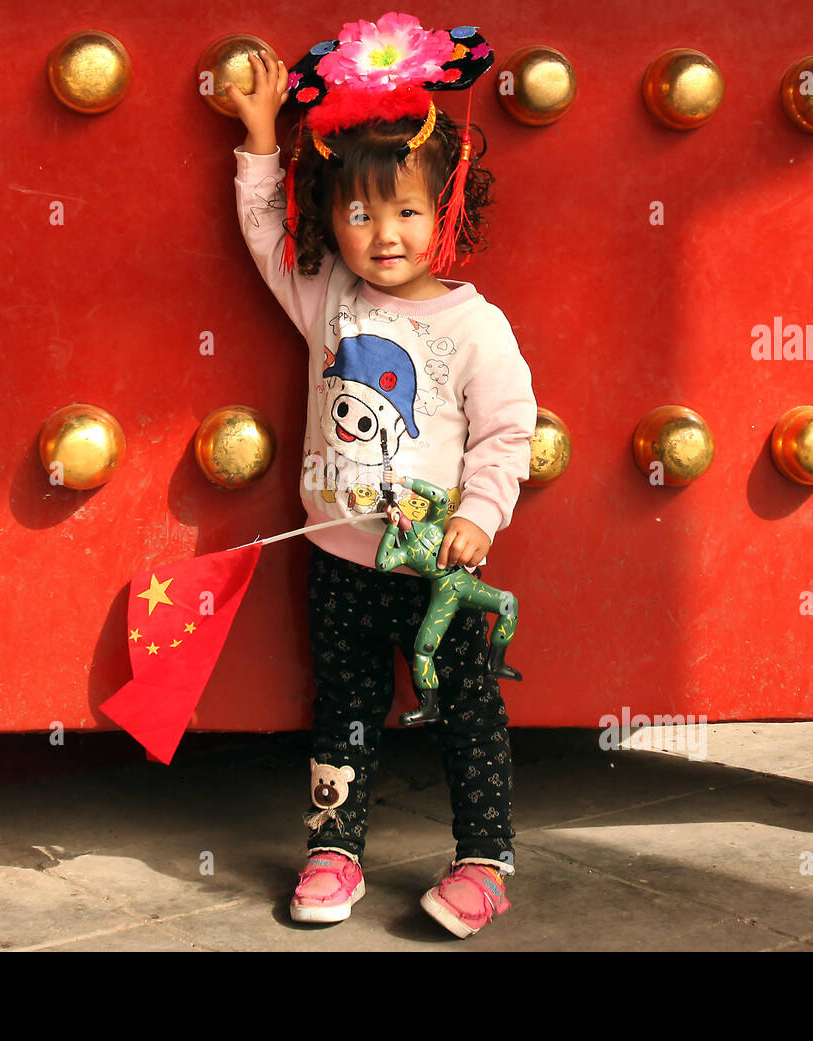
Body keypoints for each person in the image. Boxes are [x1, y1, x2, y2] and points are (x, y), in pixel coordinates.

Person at [223, 12, 536, 938]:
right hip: (340, 564)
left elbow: (506, 433)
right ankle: (334, 848)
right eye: (358, 213)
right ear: (329, 216)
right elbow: (259, 233)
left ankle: (484, 857)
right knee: (345, 710)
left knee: (466, 713)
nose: (383, 234)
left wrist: (479, 515)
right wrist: (257, 141)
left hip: (438, 570)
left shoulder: (477, 327)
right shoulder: (325, 299)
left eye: (405, 210)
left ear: (446, 210)